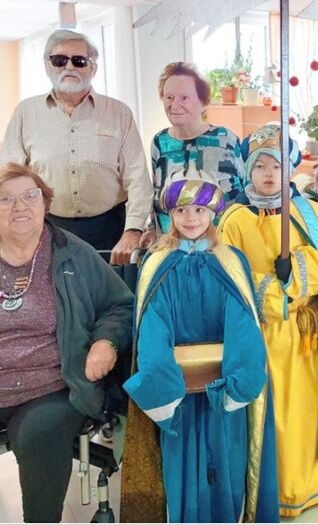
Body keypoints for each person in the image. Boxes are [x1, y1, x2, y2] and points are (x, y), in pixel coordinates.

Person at [218, 124, 318, 517]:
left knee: (306, 411)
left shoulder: (309, 212)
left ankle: (310, 484)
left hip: (306, 335)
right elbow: (230, 276)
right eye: (260, 166)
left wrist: (297, 270)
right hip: (263, 335)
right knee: (273, 415)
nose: (269, 174)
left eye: (277, 167)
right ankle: (272, 488)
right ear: (247, 171)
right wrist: (272, 288)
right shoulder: (234, 219)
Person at [120, 169, 278, 523]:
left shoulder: (231, 261)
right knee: (182, 471)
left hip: (223, 393)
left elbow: (242, 321)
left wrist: (240, 380)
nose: (191, 219)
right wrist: (161, 380)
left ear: (213, 214)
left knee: (227, 467)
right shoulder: (158, 262)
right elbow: (153, 323)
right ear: (170, 215)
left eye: (199, 210)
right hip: (179, 397)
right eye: (181, 210)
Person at [0, 163, 133, 522]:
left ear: (45, 203)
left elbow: (119, 305)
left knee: (39, 433)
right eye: (6, 199)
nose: (20, 206)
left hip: (55, 386)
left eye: (31, 196)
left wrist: (106, 342)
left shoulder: (73, 252)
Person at [0, 29, 152, 265]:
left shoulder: (118, 113)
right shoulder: (25, 113)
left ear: (93, 68)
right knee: (56, 300)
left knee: (112, 300)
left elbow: (138, 178)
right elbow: (8, 178)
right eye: (59, 60)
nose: (69, 67)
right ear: (47, 65)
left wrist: (133, 231)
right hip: (48, 229)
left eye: (79, 61)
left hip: (111, 231)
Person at [140, 62, 246, 245]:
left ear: (203, 103)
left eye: (184, 98)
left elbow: (244, 191)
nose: (175, 105)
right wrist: (151, 230)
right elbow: (157, 193)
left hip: (221, 245)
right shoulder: (160, 142)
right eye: (169, 97)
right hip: (172, 246)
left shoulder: (225, 139)